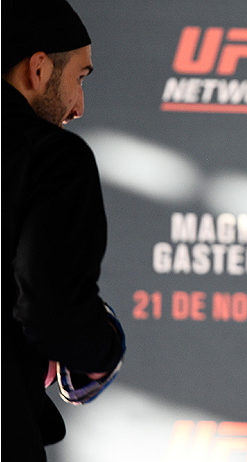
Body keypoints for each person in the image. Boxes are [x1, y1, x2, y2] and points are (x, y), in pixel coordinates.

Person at [1, 1, 125, 460]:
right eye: (79, 77)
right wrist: (101, 352)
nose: (78, 106)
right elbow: (52, 311)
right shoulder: (53, 157)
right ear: (37, 69)